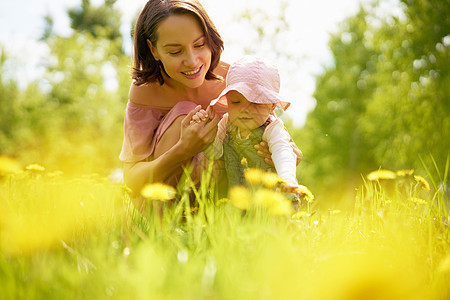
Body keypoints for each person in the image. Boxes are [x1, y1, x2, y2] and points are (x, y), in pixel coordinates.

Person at [119, 0, 302, 204]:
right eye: (175, 51)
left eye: (199, 45)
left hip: (222, 197)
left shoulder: (234, 82)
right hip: (161, 202)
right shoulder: (145, 92)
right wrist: (183, 149)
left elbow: (271, 131)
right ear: (153, 50)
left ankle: (226, 223)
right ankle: (165, 228)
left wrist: (287, 154)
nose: (192, 61)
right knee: (184, 113)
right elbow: (132, 182)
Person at [191, 56, 299, 189]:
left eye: (255, 103)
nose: (245, 110)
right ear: (228, 101)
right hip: (238, 196)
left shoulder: (272, 128)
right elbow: (215, 153)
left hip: (270, 199)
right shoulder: (226, 122)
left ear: (272, 106)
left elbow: (283, 152)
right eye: (236, 102)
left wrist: (287, 181)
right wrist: (204, 130)